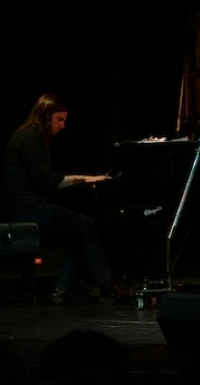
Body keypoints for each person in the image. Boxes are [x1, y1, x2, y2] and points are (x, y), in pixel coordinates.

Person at [0, 94, 116, 304]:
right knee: (85, 225)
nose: (63, 126)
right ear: (46, 116)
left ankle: (64, 289)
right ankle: (106, 286)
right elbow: (47, 181)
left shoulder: (30, 136)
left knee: (77, 229)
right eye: (59, 119)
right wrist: (86, 179)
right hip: (25, 207)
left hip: (26, 204)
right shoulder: (30, 137)